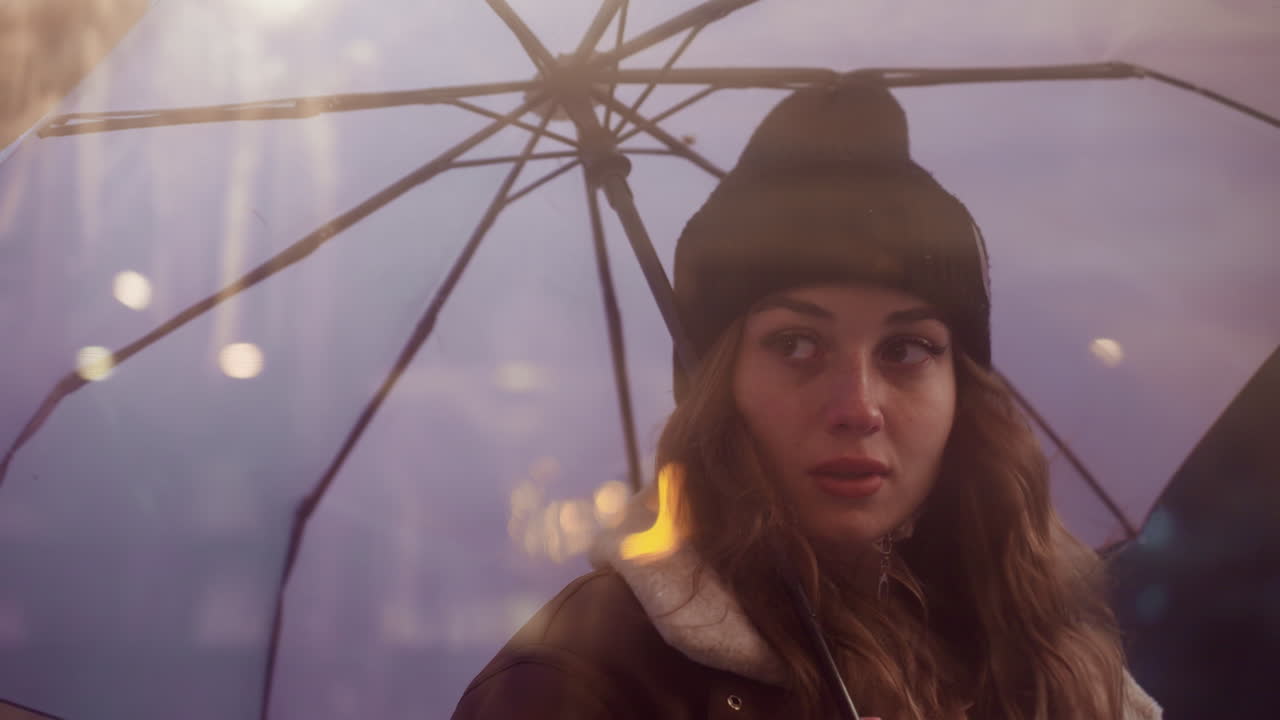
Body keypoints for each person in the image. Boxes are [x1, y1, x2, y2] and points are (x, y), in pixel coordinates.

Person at [451, 80, 1162, 719]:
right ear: (716, 385)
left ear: (961, 388)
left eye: (906, 350)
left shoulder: (1064, 664)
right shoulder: (578, 685)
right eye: (796, 346)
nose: (857, 406)